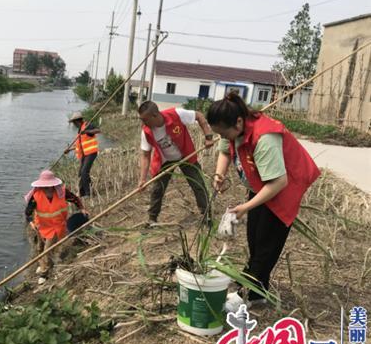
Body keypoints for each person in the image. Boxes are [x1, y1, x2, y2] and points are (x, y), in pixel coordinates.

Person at [207, 92, 320, 308]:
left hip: (283, 186)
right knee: (255, 238)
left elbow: (278, 182)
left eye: (225, 134)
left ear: (239, 122)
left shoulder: (265, 137)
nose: (225, 138)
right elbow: (224, 152)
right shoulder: (231, 129)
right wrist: (219, 175)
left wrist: (245, 207)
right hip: (262, 184)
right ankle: (259, 293)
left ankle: (245, 294)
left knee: (267, 244)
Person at [137, 101, 215, 225]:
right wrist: (142, 179)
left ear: (155, 115)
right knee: (158, 189)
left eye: (145, 120)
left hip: (186, 155)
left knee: (198, 184)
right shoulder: (146, 131)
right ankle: (152, 219)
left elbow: (199, 116)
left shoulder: (176, 114)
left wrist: (208, 137)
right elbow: (146, 155)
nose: (143, 123)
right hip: (164, 160)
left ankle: (207, 216)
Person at [25, 170, 85, 284]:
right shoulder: (36, 195)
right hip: (41, 226)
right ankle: (42, 264)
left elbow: (75, 199)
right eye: (44, 187)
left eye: (49, 187)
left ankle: (44, 273)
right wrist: (31, 222)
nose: (47, 189)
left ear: (54, 185)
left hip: (57, 227)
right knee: (40, 248)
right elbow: (28, 212)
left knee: (47, 251)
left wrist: (82, 208)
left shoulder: (62, 193)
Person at [65, 112, 100, 200]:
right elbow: (79, 144)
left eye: (74, 122)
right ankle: (88, 190)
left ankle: (88, 194)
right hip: (85, 154)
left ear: (77, 121)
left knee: (84, 171)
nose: (74, 124)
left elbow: (98, 130)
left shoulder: (87, 125)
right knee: (81, 173)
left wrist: (87, 131)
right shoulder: (80, 130)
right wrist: (69, 149)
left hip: (91, 152)